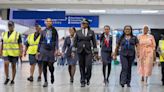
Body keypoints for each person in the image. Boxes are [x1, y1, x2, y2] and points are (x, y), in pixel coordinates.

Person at [73, 19, 98, 87]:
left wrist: (96, 52)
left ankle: (87, 77)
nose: (83, 24)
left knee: (89, 65)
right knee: (81, 66)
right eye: (82, 23)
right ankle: (82, 81)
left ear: (87, 24)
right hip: (80, 51)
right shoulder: (78, 32)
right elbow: (74, 42)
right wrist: (73, 51)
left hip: (88, 51)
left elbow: (94, 43)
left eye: (84, 23)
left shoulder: (91, 32)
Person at [36, 18, 59, 87]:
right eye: (47, 21)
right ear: (45, 23)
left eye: (50, 21)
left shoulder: (54, 31)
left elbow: (56, 40)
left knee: (51, 65)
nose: (48, 23)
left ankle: (52, 74)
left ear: (52, 23)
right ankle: (45, 81)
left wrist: (57, 49)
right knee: (44, 65)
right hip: (43, 49)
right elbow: (40, 41)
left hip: (51, 49)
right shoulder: (43, 31)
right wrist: (37, 51)